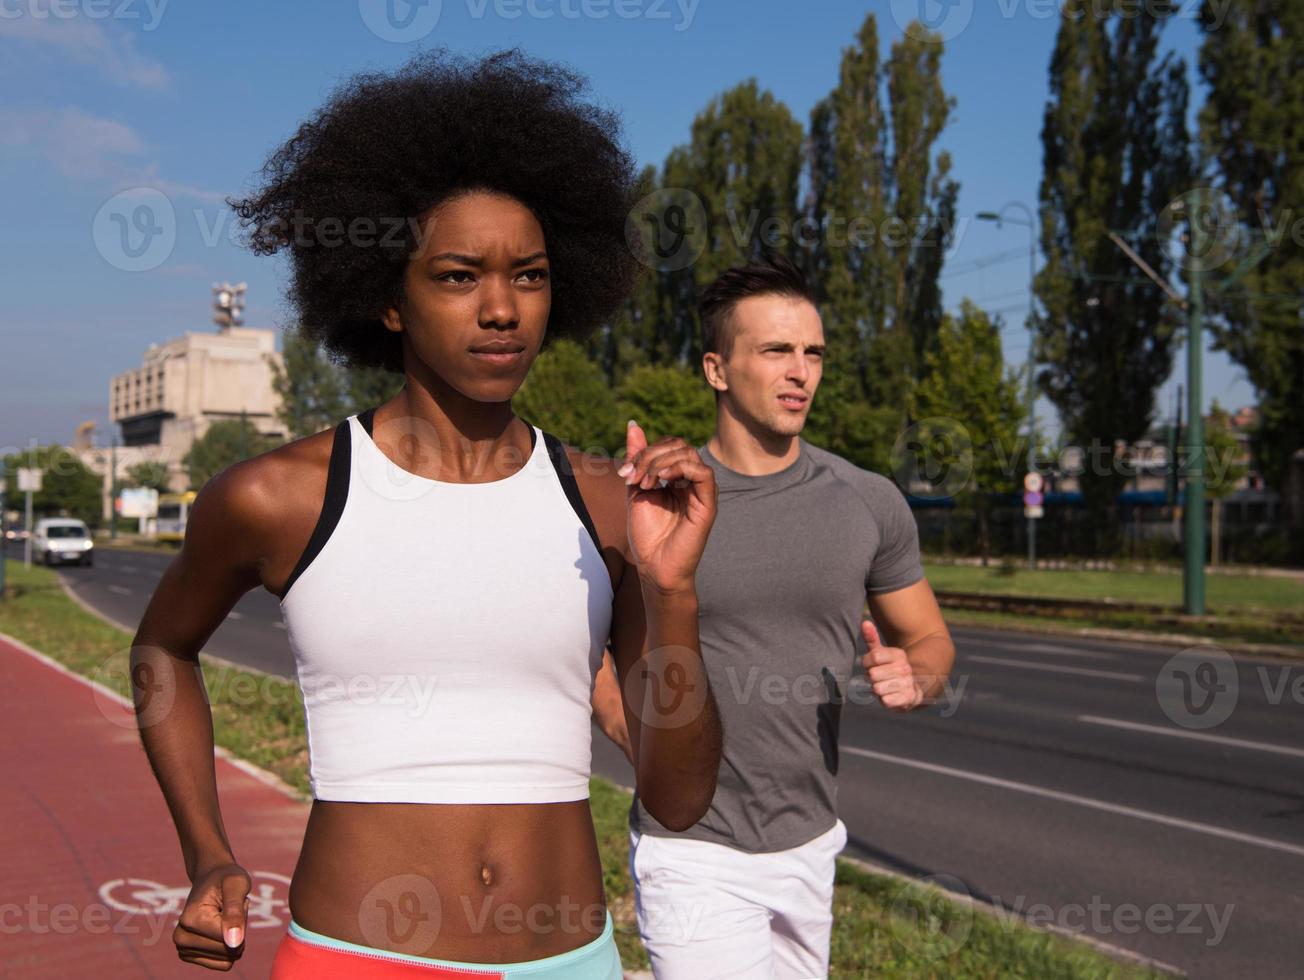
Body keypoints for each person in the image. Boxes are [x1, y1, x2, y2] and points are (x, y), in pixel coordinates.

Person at [128, 50, 722, 978]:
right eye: (456, 276)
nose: (500, 308)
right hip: (359, 958)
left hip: (570, 962)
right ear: (387, 299)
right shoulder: (279, 497)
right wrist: (206, 853)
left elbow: (680, 799)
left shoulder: (608, 503)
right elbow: (162, 649)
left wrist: (674, 590)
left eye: (528, 275)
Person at [593, 252, 956, 980]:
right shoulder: (658, 503)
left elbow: (929, 639)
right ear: (717, 369)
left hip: (811, 842)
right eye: (776, 351)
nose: (802, 372)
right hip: (692, 846)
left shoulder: (867, 500)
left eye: (813, 352)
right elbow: (590, 655)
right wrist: (650, 752)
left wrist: (917, 676)